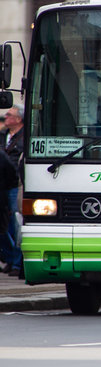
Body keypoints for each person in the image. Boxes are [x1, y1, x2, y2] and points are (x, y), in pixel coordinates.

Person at [0, 104, 23, 277]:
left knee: (16, 223)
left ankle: (16, 262)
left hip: (15, 184)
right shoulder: (3, 136)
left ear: (18, 119)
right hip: (3, 184)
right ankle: (8, 257)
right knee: (4, 225)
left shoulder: (24, 137)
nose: (5, 117)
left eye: (9, 114)